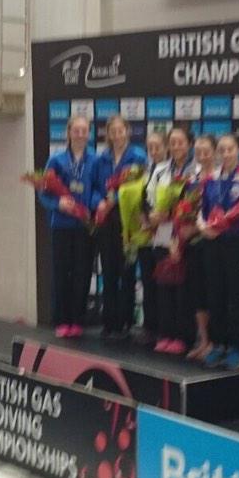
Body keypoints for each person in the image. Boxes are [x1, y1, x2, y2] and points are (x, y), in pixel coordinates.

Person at [199, 134, 239, 370]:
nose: (225, 154)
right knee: (215, 293)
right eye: (222, 150)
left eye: (230, 149)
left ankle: (237, 348)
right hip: (213, 243)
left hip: (235, 243)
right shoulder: (211, 178)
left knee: (236, 295)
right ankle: (218, 344)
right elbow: (202, 211)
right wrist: (204, 228)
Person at [38, 116, 95, 338]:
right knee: (62, 272)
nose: (80, 134)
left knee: (82, 272)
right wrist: (58, 203)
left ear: (88, 133)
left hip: (84, 224)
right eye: (76, 130)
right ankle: (62, 320)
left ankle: (77, 320)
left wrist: (92, 206)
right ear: (69, 133)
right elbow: (43, 193)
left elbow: (98, 189)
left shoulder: (95, 159)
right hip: (61, 225)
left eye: (84, 130)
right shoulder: (56, 160)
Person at [90, 115, 146, 337]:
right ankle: (109, 321)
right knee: (109, 270)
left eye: (120, 130)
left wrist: (119, 199)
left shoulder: (138, 156)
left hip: (128, 221)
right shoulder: (100, 159)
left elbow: (142, 187)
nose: (117, 135)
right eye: (112, 131)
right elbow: (93, 188)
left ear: (128, 131)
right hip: (106, 220)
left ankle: (126, 322)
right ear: (108, 134)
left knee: (127, 272)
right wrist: (100, 202)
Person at [148, 125, 196, 354]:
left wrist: (175, 214)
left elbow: (197, 203)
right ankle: (165, 334)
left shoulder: (195, 170)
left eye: (180, 142)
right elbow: (148, 198)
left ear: (189, 144)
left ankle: (182, 336)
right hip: (162, 234)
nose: (176, 146)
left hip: (185, 236)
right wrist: (153, 215)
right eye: (173, 143)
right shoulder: (160, 170)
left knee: (183, 288)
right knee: (164, 286)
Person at [184, 135, 217, 361]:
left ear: (214, 152)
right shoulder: (192, 177)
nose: (202, 156)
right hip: (194, 241)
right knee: (198, 293)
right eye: (198, 153)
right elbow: (186, 209)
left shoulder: (221, 177)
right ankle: (204, 341)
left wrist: (201, 227)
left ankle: (216, 342)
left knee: (214, 292)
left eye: (206, 152)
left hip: (215, 240)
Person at [136, 131, 168, 346]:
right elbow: (141, 200)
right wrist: (143, 218)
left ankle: (165, 330)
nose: (154, 151)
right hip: (146, 234)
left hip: (164, 233)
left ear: (166, 148)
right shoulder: (145, 171)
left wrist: (157, 220)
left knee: (163, 284)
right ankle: (150, 327)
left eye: (158, 147)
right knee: (148, 282)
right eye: (150, 148)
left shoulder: (171, 171)